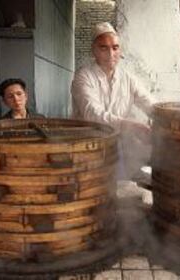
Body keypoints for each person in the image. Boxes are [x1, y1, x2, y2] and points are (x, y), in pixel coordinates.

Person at [71, 22, 156, 202]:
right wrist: (130, 126)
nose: (111, 54)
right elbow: (93, 115)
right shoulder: (84, 77)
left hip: (117, 146)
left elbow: (150, 104)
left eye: (115, 48)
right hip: (87, 147)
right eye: (104, 48)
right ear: (94, 51)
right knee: (94, 195)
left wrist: (170, 118)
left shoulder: (128, 78)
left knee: (119, 192)